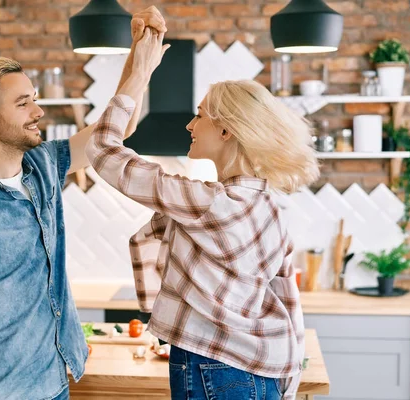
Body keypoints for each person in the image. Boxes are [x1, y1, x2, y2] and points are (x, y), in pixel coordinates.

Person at [0, 7, 167, 400]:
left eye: (35, 99)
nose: (39, 112)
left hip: (53, 383)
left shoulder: (41, 164)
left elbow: (112, 134)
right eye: (23, 104)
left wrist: (140, 59)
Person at [85, 35, 320, 400]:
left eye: (199, 115)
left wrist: (137, 74)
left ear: (226, 130)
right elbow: (286, 296)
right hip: (260, 372)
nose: (190, 126)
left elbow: (102, 152)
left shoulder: (208, 203)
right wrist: (287, 381)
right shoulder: (269, 207)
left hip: (214, 365)